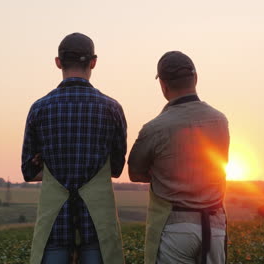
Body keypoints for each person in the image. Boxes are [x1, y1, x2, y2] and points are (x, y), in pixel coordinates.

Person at [21, 32, 126, 264]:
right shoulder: (112, 109)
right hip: (97, 227)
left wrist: (49, 166)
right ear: (93, 62)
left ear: (58, 62)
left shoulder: (39, 108)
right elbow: (116, 168)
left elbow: (28, 171)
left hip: (54, 226)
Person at [128, 51, 230, 264]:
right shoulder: (220, 121)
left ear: (163, 85)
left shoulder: (154, 128)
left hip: (175, 226)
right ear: (195, 78)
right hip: (215, 227)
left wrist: (162, 174)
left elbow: (135, 172)